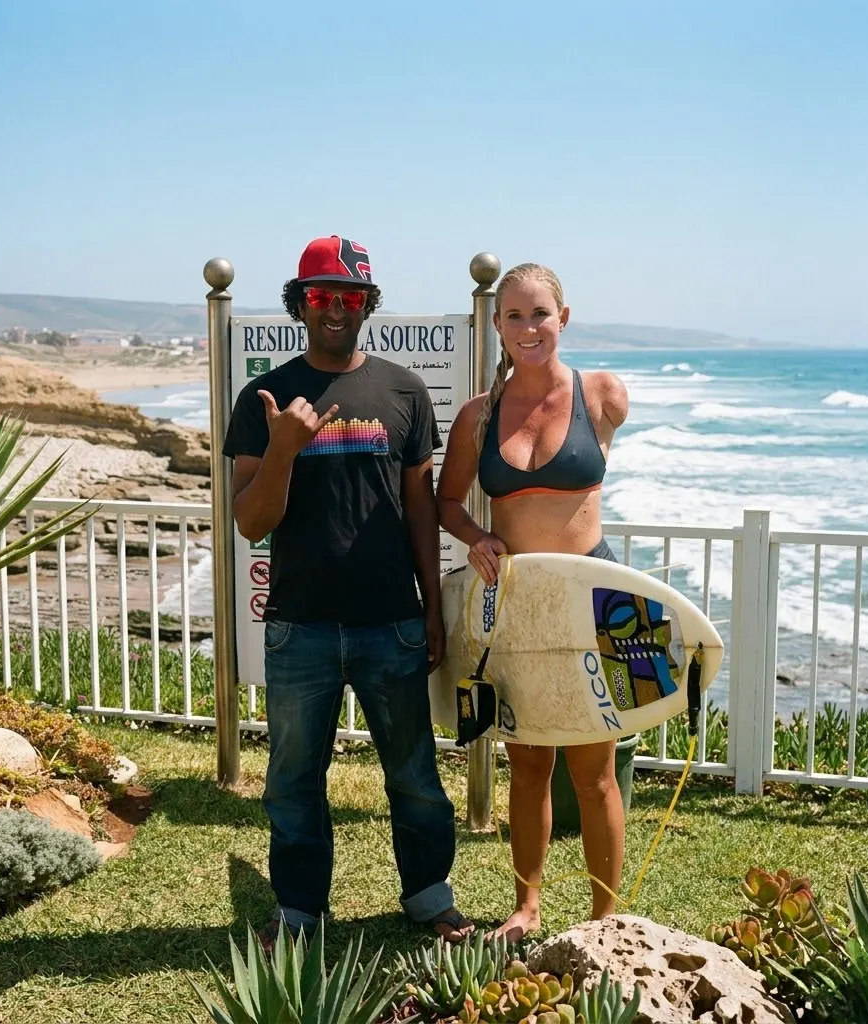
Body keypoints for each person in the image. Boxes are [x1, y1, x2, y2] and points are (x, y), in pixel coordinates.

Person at [222, 235, 474, 949]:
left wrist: (430, 603)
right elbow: (251, 522)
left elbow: (420, 507)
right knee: (294, 782)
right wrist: (281, 449)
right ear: (300, 305)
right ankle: (299, 912)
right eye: (323, 296)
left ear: (369, 304)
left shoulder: (404, 391)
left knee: (415, 775)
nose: (337, 309)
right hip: (299, 626)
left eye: (351, 297)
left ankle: (429, 897)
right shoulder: (264, 399)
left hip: (388, 621)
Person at [436, 262, 630, 941]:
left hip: (590, 596)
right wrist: (478, 536)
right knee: (526, 763)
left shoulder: (603, 395)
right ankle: (527, 907)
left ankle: (605, 920)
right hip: (516, 603)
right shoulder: (478, 416)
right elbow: (447, 503)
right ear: (497, 327)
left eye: (540, 314)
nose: (528, 328)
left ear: (564, 319)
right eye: (514, 316)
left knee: (594, 769)